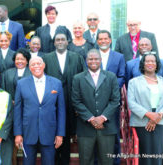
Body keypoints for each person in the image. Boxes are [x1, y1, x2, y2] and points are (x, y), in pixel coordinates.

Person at [71, 49, 120, 165]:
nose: (93, 61)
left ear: (100, 60)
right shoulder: (78, 78)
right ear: (86, 61)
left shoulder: (111, 76)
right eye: (90, 59)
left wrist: (102, 117)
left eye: (96, 59)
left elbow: (115, 100)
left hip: (107, 127)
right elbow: (76, 101)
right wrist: (91, 118)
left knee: (107, 161)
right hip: (85, 128)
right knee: (85, 160)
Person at [14, 56, 66, 165]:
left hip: (49, 132)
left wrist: (60, 134)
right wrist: (18, 133)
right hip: (28, 132)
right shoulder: (21, 84)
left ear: (44, 65)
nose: (36, 66)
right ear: (29, 67)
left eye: (39, 63)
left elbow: (61, 110)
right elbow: (18, 110)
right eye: (33, 64)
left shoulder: (56, 83)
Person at [43, 32, 85, 165]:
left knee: (66, 135)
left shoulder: (77, 57)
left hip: (71, 103)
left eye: (63, 39)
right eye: (57, 40)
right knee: (52, 134)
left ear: (68, 42)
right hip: (51, 103)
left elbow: (82, 80)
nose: (60, 42)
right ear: (54, 43)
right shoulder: (46, 58)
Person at [127, 53, 163, 165]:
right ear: (143, 64)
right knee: (145, 156)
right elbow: (131, 103)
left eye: (153, 61)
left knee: (159, 155)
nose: (150, 63)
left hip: (160, 122)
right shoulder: (134, 82)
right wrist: (149, 115)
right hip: (142, 123)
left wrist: (159, 115)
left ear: (157, 64)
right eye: (147, 61)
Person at [96, 30, 125, 165]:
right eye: (100, 39)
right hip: (94, 102)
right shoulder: (91, 55)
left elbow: (122, 76)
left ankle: (115, 162)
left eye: (105, 39)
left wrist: (110, 89)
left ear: (110, 40)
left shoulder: (119, 57)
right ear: (97, 41)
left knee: (113, 135)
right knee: (97, 136)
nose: (103, 41)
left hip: (112, 102)